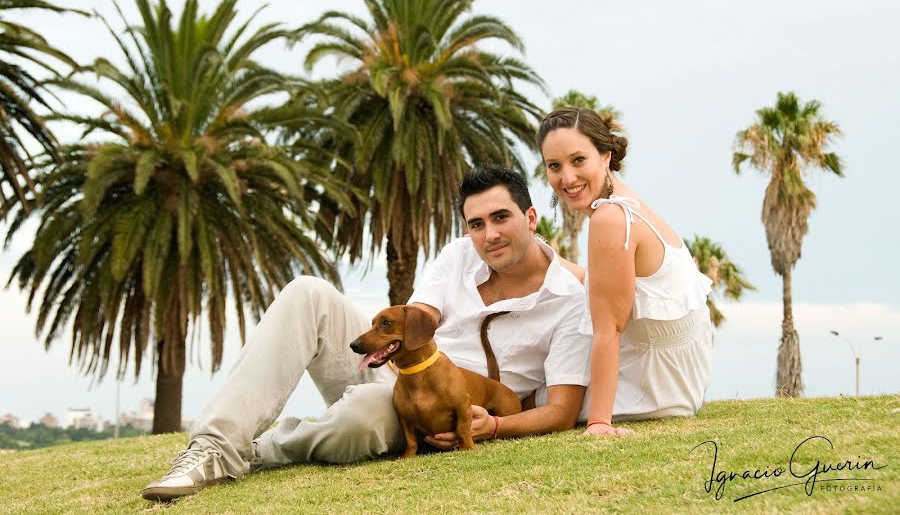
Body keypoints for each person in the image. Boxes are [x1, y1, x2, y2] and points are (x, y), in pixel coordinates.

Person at [142, 165, 590, 501]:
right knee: (307, 292)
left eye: (500, 217)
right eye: (476, 224)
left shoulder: (568, 300)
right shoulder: (458, 256)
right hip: (397, 376)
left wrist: (494, 426)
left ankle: (256, 451)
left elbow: (563, 412)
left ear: (530, 217)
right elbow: (414, 318)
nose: (488, 235)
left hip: (448, 411)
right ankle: (213, 448)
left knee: (361, 420)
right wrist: (383, 345)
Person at [537, 106, 713, 438]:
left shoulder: (610, 218)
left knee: (533, 396)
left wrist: (600, 424)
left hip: (655, 386)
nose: (567, 178)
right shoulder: (626, 200)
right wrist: (546, 259)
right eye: (554, 166)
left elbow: (609, 327)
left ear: (605, 155)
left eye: (578, 160)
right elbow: (609, 288)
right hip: (681, 377)